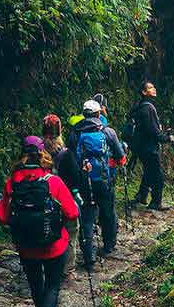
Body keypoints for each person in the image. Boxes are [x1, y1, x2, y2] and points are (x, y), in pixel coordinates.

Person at [0, 136, 79, 307]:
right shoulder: (53, 181)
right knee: (52, 284)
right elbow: (72, 212)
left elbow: (4, 217)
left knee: (36, 285)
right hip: (53, 244)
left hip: (26, 246)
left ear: (21, 154)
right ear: (43, 153)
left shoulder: (13, 182)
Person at [74, 100, 123, 256]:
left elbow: (72, 157)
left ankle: (89, 255)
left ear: (83, 114)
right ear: (98, 114)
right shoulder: (108, 132)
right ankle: (109, 245)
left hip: (84, 181)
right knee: (108, 212)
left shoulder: (75, 132)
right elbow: (120, 155)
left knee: (87, 216)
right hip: (104, 180)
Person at [42, 114, 85, 279]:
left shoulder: (37, 152)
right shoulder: (66, 153)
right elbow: (75, 177)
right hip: (64, 200)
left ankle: (47, 266)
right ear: (60, 132)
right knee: (70, 232)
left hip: (43, 201)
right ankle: (67, 270)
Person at [128, 81, 172, 211]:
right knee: (157, 175)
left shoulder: (139, 106)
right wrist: (166, 138)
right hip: (149, 148)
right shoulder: (148, 108)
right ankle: (156, 202)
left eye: (153, 86)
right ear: (143, 92)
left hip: (140, 147)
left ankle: (141, 196)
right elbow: (152, 130)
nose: (154, 89)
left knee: (148, 171)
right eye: (150, 88)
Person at [66, 114, 100, 271]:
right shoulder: (88, 138)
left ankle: (65, 262)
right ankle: (89, 257)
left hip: (69, 188)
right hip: (86, 183)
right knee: (87, 220)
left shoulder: (67, 145)